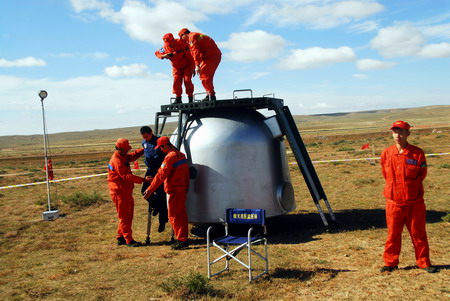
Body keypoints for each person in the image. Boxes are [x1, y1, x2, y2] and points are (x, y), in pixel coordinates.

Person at [380, 120, 438, 273]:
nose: (397, 135)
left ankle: (424, 262)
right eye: (395, 131)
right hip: (393, 202)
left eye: (401, 131)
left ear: (407, 133)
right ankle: (390, 263)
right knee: (393, 234)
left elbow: (421, 174)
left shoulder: (417, 153)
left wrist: (410, 188)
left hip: (414, 202)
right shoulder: (386, 153)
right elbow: (386, 174)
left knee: (418, 233)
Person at [143, 136, 190, 250]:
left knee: (174, 215)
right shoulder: (181, 155)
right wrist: (186, 186)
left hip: (174, 190)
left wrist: (150, 190)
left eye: (161, 148)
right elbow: (186, 173)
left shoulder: (170, 157)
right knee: (181, 214)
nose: (160, 150)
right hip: (181, 189)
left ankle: (181, 240)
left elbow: (161, 175)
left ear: (165, 146)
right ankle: (183, 238)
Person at [107, 138, 149, 247]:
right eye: (126, 150)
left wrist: (144, 149)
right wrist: (143, 180)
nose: (127, 151)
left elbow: (131, 156)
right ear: (119, 148)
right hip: (119, 191)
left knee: (127, 215)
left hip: (125, 190)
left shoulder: (122, 155)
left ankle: (120, 237)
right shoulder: (117, 160)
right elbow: (126, 176)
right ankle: (129, 240)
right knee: (125, 216)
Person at [178, 28, 221, 101]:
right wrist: (195, 66)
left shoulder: (192, 37)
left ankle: (211, 95)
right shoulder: (196, 35)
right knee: (204, 75)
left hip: (211, 56)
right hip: (210, 56)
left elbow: (196, 51)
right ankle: (210, 94)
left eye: (181, 37)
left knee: (204, 75)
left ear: (184, 34)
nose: (183, 40)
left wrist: (197, 65)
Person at [140, 126, 168, 233]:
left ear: (151, 133)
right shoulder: (144, 143)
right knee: (144, 191)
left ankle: (163, 222)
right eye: (144, 137)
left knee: (161, 196)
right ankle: (156, 206)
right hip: (150, 171)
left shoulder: (159, 142)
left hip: (159, 171)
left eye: (147, 136)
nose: (146, 138)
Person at [155, 33, 195, 103]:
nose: (169, 45)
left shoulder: (182, 43)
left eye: (170, 43)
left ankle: (190, 98)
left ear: (173, 40)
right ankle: (178, 98)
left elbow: (191, 57)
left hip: (186, 65)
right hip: (176, 67)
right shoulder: (164, 48)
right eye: (167, 44)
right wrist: (163, 56)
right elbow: (157, 53)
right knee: (176, 80)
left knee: (187, 80)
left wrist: (193, 68)